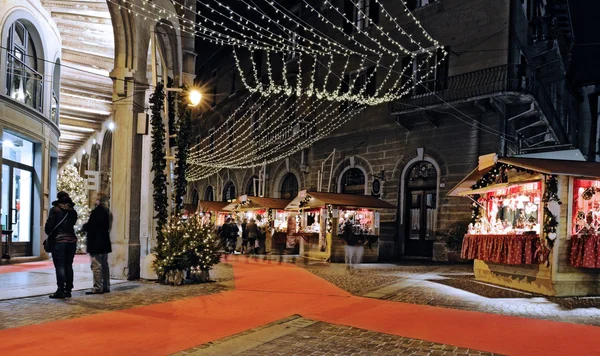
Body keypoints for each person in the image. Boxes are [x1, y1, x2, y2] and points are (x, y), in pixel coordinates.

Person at [44, 191, 78, 299]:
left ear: (58, 198)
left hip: (59, 241)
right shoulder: (73, 211)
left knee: (60, 266)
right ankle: (68, 289)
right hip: (71, 241)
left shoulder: (55, 210)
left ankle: (60, 290)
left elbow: (49, 227)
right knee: (68, 265)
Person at [83, 192, 112, 295]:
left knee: (96, 265)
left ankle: (97, 287)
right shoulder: (108, 212)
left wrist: (84, 227)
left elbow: (91, 226)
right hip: (104, 242)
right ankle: (106, 285)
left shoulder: (97, 212)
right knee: (104, 265)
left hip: (96, 242)